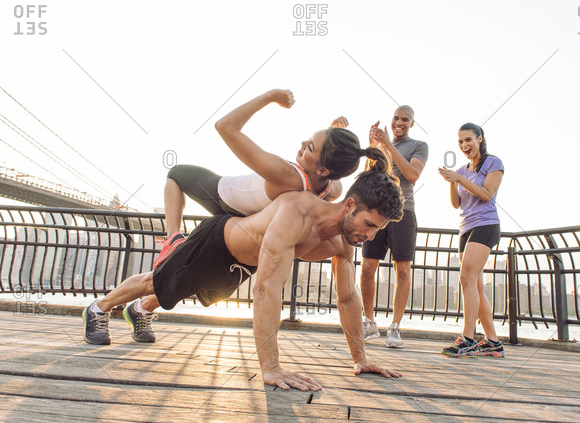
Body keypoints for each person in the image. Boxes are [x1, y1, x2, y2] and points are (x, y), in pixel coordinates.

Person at [82, 163, 405, 391]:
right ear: (349, 205)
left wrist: (360, 358)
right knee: (159, 281)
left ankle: (139, 311)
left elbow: (347, 298)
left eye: (377, 229)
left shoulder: (342, 243)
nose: (371, 235)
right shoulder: (297, 212)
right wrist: (271, 367)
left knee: (184, 291)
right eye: (370, 225)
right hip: (218, 243)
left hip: (246, 262)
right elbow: (266, 290)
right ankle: (98, 308)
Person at [154, 89, 361, 271]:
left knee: (175, 174)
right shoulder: (332, 188)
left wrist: (269, 96)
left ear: (324, 170)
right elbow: (327, 169)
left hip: (220, 196)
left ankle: (173, 239)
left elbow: (224, 126)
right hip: (250, 223)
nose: (303, 142)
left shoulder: (285, 174)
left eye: (310, 147)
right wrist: (333, 136)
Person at [359, 105, 428, 348]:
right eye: (396, 118)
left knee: (403, 270)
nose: (400, 122)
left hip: (403, 211)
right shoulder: (381, 146)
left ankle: (395, 327)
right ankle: (368, 322)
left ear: (412, 123)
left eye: (405, 119)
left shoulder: (419, 146)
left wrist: (388, 145)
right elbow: (368, 177)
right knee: (367, 267)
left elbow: (412, 175)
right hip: (377, 212)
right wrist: (373, 149)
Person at [438, 122, 505, 358]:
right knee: (475, 284)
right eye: (460, 141)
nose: (464, 145)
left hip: (486, 225)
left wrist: (459, 178)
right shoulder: (462, 170)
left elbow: (486, 195)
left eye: (468, 139)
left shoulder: (493, 163)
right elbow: (456, 204)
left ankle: (467, 338)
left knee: (466, 278)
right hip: (465, 228)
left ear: (480, 139)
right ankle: (493, 342)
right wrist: (453, 181)